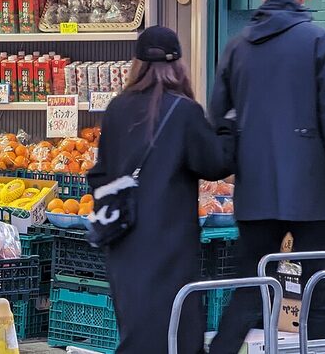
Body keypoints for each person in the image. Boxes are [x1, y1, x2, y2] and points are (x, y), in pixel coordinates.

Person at [207, 0, 325, 354]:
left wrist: (234, 162)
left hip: (256, 191)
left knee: (251, 288)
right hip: (313, 193)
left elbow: (218, 117)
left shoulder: (237, 47)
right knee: (319, 291)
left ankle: (224, 350)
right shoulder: (319, 42)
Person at [88, 26, 234, 353]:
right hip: (171, 247)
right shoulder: (184, 111)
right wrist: (227, 125)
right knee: (177, 334)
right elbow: (216, 164)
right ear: (177, 65)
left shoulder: (116, 108)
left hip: (124, 243)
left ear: (136, 64)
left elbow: (100, 173)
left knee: (137, 333)